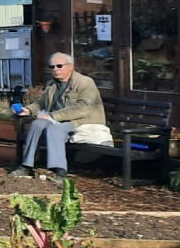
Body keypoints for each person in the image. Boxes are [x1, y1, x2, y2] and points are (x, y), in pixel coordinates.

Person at [10, 52, 107, 182]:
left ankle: (60, 171)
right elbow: (40, 103)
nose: (55, 69)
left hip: (80, 121)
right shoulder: (52, 84)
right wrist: (27, 110)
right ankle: (26, 166)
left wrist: (52, 115)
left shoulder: (85, 82)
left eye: (59, 66)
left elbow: (84, 108)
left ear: (70, 67)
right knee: (36, 124)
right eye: (52, 67)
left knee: (53, 130)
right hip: (55, 120)